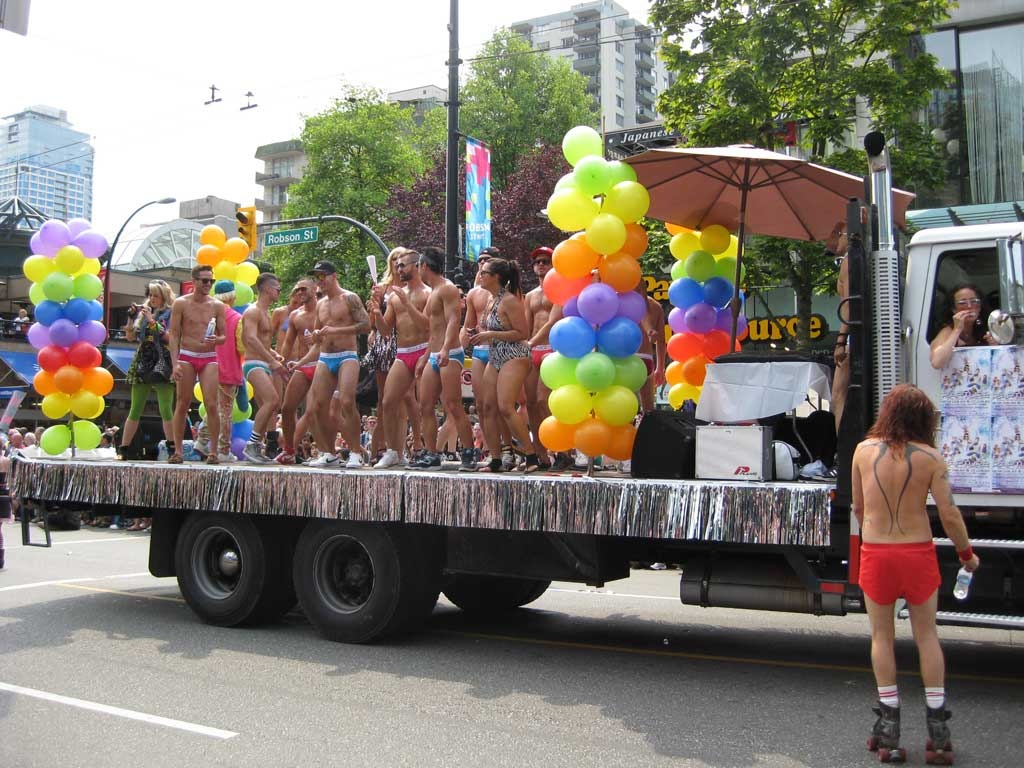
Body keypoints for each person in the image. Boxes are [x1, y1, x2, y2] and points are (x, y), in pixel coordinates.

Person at [852, 383, 979, 763]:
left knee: (882, 637)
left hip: (877, 553)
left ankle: (889, 732)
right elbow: (949, 514)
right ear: (923, 418)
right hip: (917, 552)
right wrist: (967, 555)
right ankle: (938, 733)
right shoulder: (931, 458)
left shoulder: (862, 451)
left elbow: (858, 508)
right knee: (927, 636)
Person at [470, 258, 541, 473]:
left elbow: (522, 333)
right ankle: (496, 458)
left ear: (496, 277)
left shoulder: (509, 300)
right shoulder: (491, 299)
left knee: (505, 406)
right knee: (487, 407)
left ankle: (531, 456)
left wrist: (490, 334)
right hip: (496, 354)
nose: (480, 275)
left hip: (514, 354)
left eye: (484, 272)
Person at [409, 246, 476, 470]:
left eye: (418, 266)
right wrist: (425, 356)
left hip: (450, 352)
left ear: (424, 266)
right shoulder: (433, 292)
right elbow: (428, 327)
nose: (417, 270)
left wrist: (446, 349)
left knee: (453, 404)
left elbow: (453, 321)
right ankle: (431, 453)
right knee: (425, 405)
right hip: (434, 354)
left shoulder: (447, 289)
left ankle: (468, 452)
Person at [306, 260, 371, 468]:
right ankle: (328, 453)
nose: (319, 281)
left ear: (334, 276)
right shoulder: (321, 304)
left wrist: (337, 330)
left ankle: (355, 452)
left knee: (346, 402)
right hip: (326, 356)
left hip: (347, 355)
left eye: (322, 276)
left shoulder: (349, 298)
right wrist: (315, 336)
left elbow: (366, 325)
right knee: (316, 406)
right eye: (317, 277)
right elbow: (316, 333)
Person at [371, 249, 430, 469]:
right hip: (403, 352)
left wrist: (406, 302)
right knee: (387, 401)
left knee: (425, 404)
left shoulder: (428, 293)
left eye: (403, 265)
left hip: (424, 349)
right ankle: (393, 451)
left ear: (416, 265)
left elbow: (427, 326)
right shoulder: (394, 296)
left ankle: (426, 450)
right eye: (396, 266)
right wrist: (376, 313)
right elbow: (386, 331)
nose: (398, 269)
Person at [168, 264, 226, 465]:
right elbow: (174, 335)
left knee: (212, 404)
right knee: (182, 402)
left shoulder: (217, 305)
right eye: (205, 280)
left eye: (211, 280)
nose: (208, 284)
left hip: (209, 356)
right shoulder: (181, 303)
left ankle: (214, 452)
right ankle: (177, 451)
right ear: (194, 281)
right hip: (187, 355)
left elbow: (224, 336)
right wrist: (175, 363)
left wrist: (217, 340)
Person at [117, 280, 176, 461]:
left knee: (165, 408)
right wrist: (131, 318)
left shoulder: (171, 313)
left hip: (163, 361)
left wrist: (151, 320)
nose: (152, 298)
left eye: (156, 295)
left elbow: (170, 338)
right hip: (144, 359)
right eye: (150, 295)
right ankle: (124, 448)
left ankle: (172, 448)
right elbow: (130, 337)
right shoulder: (145, 313)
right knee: (135, 408)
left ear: (163, 296)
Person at [194, 280, 245, 463]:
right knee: (225, 412)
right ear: (232, 296)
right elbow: (241, 347)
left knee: (212, 407)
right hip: (228, 368)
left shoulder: (207, 314)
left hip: (208, 367)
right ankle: (224, 449)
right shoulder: (237, 318)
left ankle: (202, 441)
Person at [241, 273, 288, 462]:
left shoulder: (265, 312)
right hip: (254, 364)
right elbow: (250, 339)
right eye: (278, 289)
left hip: (263, 363)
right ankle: (251, 445)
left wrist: (273, 354)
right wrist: (272, 360)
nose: (279, 292)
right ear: (268, 289)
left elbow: (260, 340)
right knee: (272, 400)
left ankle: (256, 447)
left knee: (268, 406)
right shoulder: (253, 311)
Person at [524, 247, 561, 469]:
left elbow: (552, 321)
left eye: (545, 261)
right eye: (537, 261)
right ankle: (540, 455)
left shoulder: (559, 291)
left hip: (552, 349)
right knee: (530, 404)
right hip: (532, 350)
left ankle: (561, 451)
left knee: (544, 401)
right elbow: (527, 326)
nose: (540, 264)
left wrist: (531, 342)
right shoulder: (530, 296)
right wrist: (525, 346)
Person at [276, 280, 319, 464]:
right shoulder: (295, 315)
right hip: (302, 365)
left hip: (321, 363)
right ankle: (289, 450)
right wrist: (281, 362)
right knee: (287, 408)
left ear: (315, 289)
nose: (300, 292)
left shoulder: (324, 310)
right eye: (297, 289)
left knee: (315, 410)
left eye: (304, 289)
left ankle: (330, 451)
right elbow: (288, 342)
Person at [929, 283, 1000, 370]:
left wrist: (994, 346)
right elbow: (936, 362)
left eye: (974, 301)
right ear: (953, 310)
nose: (969, 306)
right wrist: (956, 330)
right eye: (962, 303)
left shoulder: (985, 329)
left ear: (980, 307)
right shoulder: (947, 331)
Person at [638, 290, 667, 413]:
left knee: (623, 405)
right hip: (646, 359)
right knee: (648, 410)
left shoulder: (621, 301)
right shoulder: (655, 305)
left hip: (626, 359)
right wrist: (660, 368)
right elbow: (661, 341)